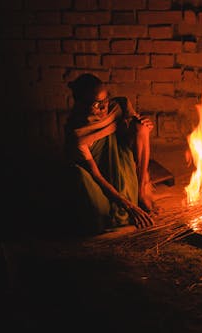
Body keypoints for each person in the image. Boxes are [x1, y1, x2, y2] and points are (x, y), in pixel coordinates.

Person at [64, 73, 155, 234]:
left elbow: (137, 131)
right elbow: (96, 175)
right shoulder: (78, 133)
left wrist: (144, 124)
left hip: (121, 163)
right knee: (99, 215)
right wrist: (128, 205)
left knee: (141, 128)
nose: (104, 107)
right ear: (81, 104)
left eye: (106, 100)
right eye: (96, 104)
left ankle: (140, 191)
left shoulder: (117, 107)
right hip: (100, 175)